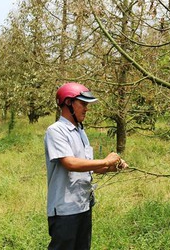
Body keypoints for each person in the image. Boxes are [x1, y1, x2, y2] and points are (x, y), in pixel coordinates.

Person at [44, 82, 127, 250]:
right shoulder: (56, 131)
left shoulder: (81, 132)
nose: (86, 108)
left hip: (83, 205)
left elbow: (88, 166)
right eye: (83, 103)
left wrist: (112, 167)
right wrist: (105, 161)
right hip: (65, 209)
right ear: (68, 103)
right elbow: (70, 163)